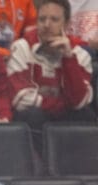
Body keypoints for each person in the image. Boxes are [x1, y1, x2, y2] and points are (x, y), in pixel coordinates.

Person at [8, 0, 96, 152]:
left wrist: (68, 59)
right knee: (32, 114)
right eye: (42, 19)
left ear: (66, 24)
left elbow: (79, 101)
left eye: (54, 19)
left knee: (85, 115)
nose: (47, 25)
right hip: (35, 117)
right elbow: (20, 98)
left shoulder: (80, 54)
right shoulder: (21, 47)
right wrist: (63, 104)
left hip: (62, 113)